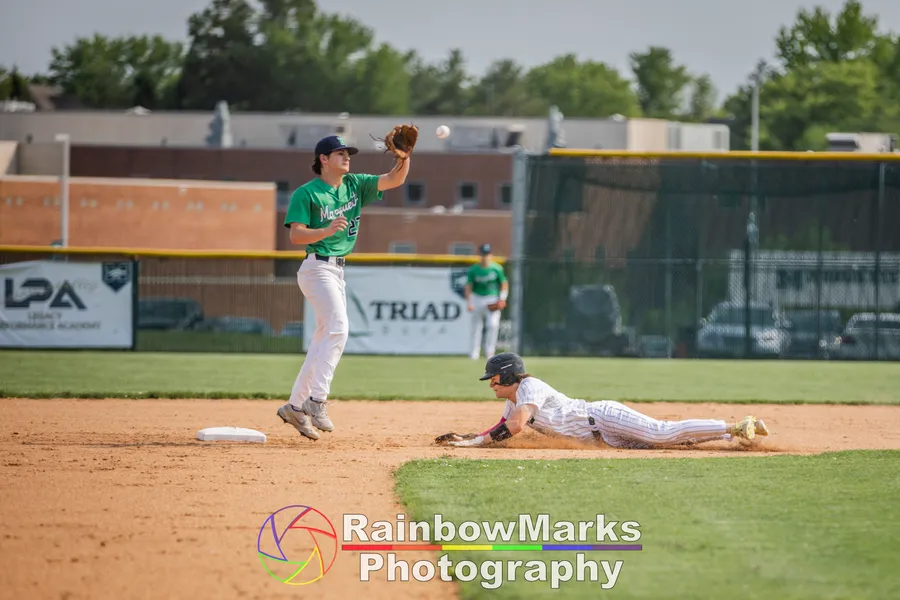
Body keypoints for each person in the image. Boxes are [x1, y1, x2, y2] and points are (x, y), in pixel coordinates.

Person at [277, 134, 412, 441]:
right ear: (323, 159)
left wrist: (404, 157)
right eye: (340, 153)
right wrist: (324, 229)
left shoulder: (355, 184)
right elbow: (296, 236)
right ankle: (317, 400)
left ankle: (296, 407)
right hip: (316, 267)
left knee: (323, 339)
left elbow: (394, 180)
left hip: (337, 271)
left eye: (348, 153)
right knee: (338, 328)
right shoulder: (306, 193)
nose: (347, 157)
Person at [434, 352, 769, 449]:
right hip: (605, 438)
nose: (490, 384)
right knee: (667, 445)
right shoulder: (515, 400)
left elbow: (516, 427)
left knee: (661, 433)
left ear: (507, 376)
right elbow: (503, 424)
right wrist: (474, 437)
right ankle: (730, 436)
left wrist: (476, 446)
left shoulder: (530, 388)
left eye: (492, 378)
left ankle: (738, 424)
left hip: (602, 417)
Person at [464, 243, 509, 360]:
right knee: (476, 327)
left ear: (491, 255)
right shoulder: (474, 269)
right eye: (483, 254)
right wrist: (469, 302)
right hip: (477, 297)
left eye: (487, 254)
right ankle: (474, 353)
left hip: (492, 298)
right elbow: (468, 286)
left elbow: (504, 284)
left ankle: (490, 353)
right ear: (480, 255)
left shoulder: (497, 268)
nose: (485, 257)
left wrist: (502, 298)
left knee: (493, 325)